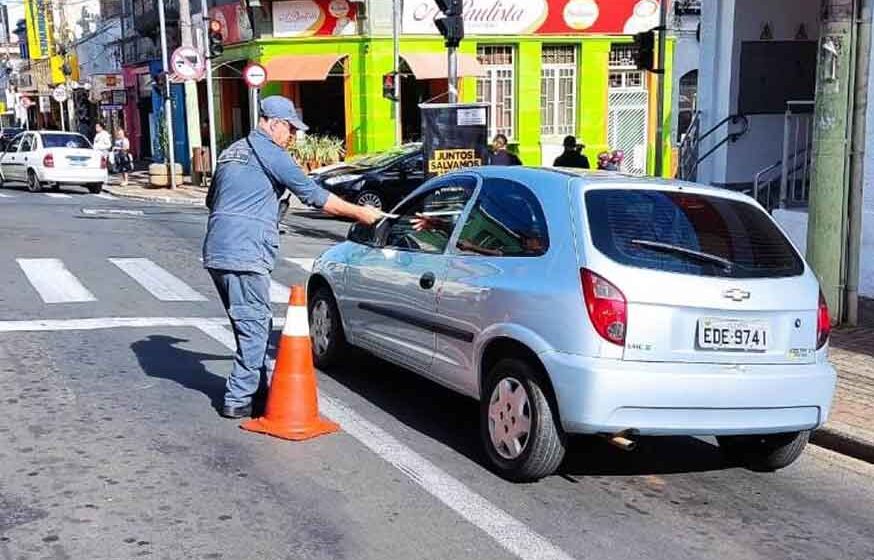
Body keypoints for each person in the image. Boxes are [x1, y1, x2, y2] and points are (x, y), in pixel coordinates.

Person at [203, 95, 383, 419]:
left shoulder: (231, 152)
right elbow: (316, 197)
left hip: (217, 250)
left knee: (247, 324)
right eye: (289, 129)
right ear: (273, 124)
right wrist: (362, 214)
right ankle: (238, 397)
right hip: (246, 251)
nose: (292, 137)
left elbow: (211, 200)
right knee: (256, 326)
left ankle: (256, 391)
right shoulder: (273, 153)